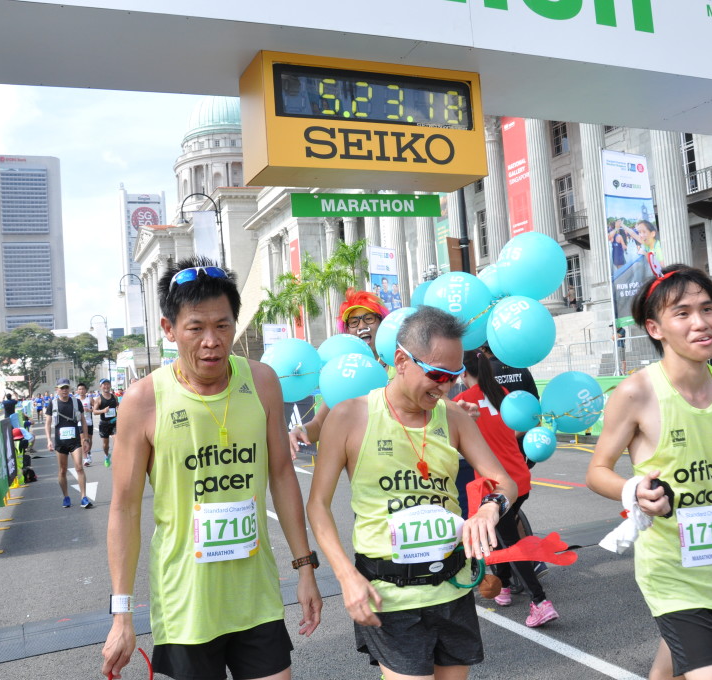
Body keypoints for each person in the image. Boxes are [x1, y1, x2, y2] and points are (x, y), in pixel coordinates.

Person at [101, 257, 321, 680]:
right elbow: (124, 509)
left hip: (255, 597)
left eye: (223, 326)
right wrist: (122, 615)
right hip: (186, 605)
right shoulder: (143, 401)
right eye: (196, 327)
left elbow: (280, 474)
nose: (211, 341)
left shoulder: (261, 381)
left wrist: (305, 567)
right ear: (169, 329)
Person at [586, 264, 712, 680]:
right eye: (683, 313)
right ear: (655, 328)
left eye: (707, 309)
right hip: (666, 567)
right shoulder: (637, 391)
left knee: (670, 665)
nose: (701, 323)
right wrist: (633, 490)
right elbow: (597, 470)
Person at [307, 306, 517, 680]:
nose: (445, 387)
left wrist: (489, 508)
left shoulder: (452, 416)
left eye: (453, 377)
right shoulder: (350, 417)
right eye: (436, 375)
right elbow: (318, 506)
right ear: (401, 360)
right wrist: (346, 577)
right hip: (391, 596)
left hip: (452, 590)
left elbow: (505, 483)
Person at [454, 350, 558, 627]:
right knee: (502, 531)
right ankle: (504, 587)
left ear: (462, 374)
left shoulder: (461, 402)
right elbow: (520, 428)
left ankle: (540, 601)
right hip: (519, 477)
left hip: (496, 484)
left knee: (510, 541)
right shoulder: (501, 393)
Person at [287, 289, 390, 457]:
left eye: (369, 319)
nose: (362, 326)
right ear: (347, 331)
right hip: (363, 464)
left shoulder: (401, 364)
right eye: (354, 322)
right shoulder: (344, 370)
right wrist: (299, 430)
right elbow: (320, 424)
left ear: (382, 323)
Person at [44, 378, 92, 509]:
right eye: (62, 388)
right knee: (62, 470)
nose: (65, 390)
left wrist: (86, 439)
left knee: (79, 467)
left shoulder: (76, 402)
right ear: (57, 389)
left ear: (69, 389)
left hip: (75, 440)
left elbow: (83, 421)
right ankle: (66, 497)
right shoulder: (52, 404)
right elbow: (48, 424)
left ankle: (83, 497)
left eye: (66, 388)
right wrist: (48, 440)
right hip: (60, 442)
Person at [93, 378, 119, 468]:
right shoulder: (99, 399)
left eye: (108, 384)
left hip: (114, 423)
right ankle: (106, 456)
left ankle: (117, 459)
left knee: (117, 441)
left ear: (110, 386)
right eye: (104, 384)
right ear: (101, 386)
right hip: (104, 424)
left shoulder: (114, 397)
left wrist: (120, 411)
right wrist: (103, 410)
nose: (106, 386)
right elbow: (95, 411)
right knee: (105, 445)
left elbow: (118, 406)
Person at [77, 382, 95, 467]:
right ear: (77, 391)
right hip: (80, 422)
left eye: (83, 389)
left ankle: (88, 452)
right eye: (79, 389)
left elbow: (96, 409)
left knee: (89, 440)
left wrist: (89, 410)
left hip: (89, 422)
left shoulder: (90, 399)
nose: (81, 391)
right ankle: (85, 458)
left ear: (85, 390)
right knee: (83, 439)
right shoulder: (76, 400)